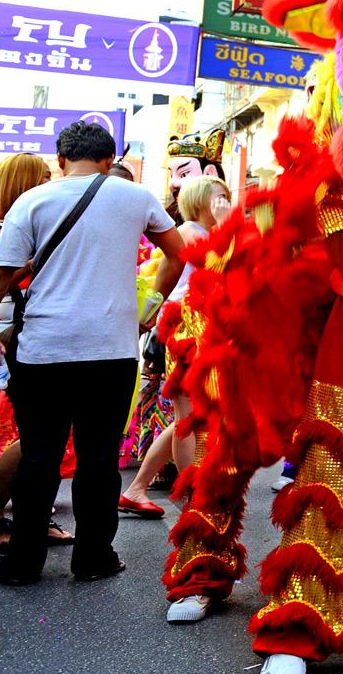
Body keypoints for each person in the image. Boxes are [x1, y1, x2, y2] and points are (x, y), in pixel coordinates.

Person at [0, 121, 184, 586]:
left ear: (61, 160)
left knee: (39, 458)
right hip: (110, 351)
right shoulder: (137, 197)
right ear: (109, 160)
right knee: (99, 458)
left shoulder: (34, 200)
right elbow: (178, 253)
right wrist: (149, 305)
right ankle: (93, 558)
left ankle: (22, 562)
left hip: (44, 351)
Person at [0, 153, 67, 555]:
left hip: (34, 336)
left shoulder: (34, 225)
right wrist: (25, 267)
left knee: (44, 437)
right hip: (11, 339)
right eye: (42, 177)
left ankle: (26, 517)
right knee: (40, 436)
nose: (51, 182)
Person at [117, 176, 232, 524]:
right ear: (199, 200)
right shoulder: (189, 233)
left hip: (204, 331)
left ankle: (137, 488)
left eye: (226, 197)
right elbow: (225, 272)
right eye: (218, 197)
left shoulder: (204, 233)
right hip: (187, 331)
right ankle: (193, 495)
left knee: (189, 417)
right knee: (189, 419)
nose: (224, 202)